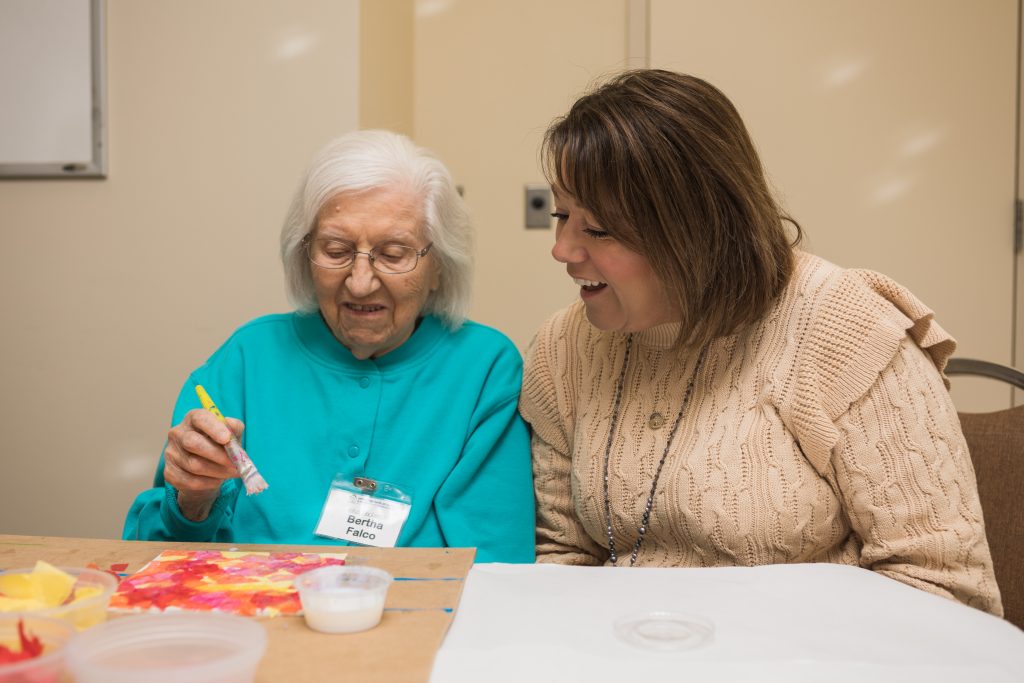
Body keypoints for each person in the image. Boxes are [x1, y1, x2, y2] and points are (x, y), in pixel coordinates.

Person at [520, 69, 1002, 614]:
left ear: (694, 228)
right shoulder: (563, 350)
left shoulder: (844, 329)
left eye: (598, 229)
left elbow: (948, 589)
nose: (562, 250)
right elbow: (561, 559)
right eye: (561, 215)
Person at [125, 130, 535, 563]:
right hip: (256, 615)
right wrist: (193, 498)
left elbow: (498, 564)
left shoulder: (483, 369)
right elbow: (157, 556)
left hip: (416, 618)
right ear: (304, 255)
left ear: (440, 265)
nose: (360, 282)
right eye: (336, 250)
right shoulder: (247, 358)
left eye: (394, 254)